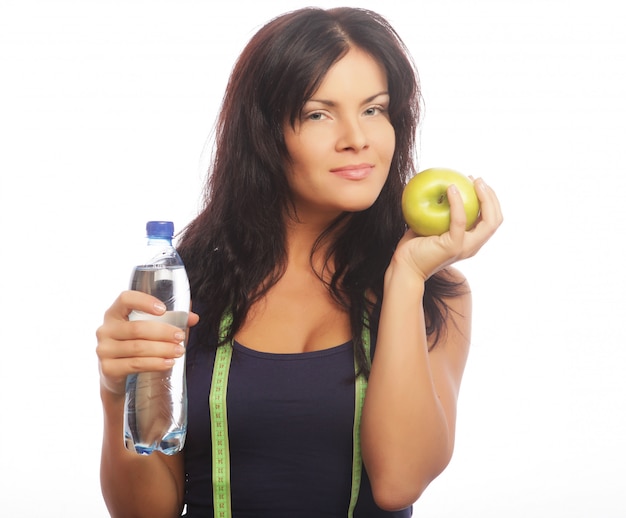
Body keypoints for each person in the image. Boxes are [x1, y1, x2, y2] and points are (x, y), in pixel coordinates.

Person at [96, 6, 503, 518]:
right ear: (266, 135)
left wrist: (406, 277)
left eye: (374, 109)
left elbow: (399, 482)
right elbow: (144, 513)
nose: (357, 137)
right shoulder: (184, 286)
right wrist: (119, 393)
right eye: (318, 113)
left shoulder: (438, 295)